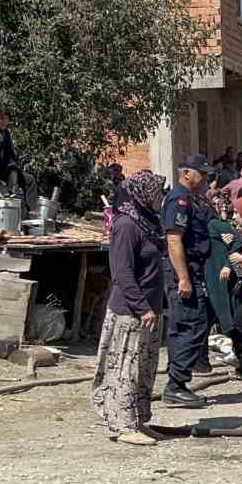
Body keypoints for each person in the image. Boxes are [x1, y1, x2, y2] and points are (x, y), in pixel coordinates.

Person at [93, 170, 168, 445]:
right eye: (157, 192)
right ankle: (124, 425)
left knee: (144, 368)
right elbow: (122, 273)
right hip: (131, 312)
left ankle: (138, 420)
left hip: (150, 309)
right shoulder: (125, 226)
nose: (161, 197)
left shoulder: (148, 224)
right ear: (143, 194)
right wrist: (142, 307)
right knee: (126, 367)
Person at [160, 155, 217, 408]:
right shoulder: (179, 200)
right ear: (186, 173)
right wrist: (183, 277)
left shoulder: (192, 199)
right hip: (184, 272)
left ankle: (178, 382)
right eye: (201, 173)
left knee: (193, 323)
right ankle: (176, 385)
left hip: (194, 269)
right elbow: (174, 240)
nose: (205, 178)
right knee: (189, 324)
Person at [206, 195, 242, 380]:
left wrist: (227, 264)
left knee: (232, 322)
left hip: (222, 280)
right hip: (215, 279)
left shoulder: (216, 226)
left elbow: (237, 242)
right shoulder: (215, 226)